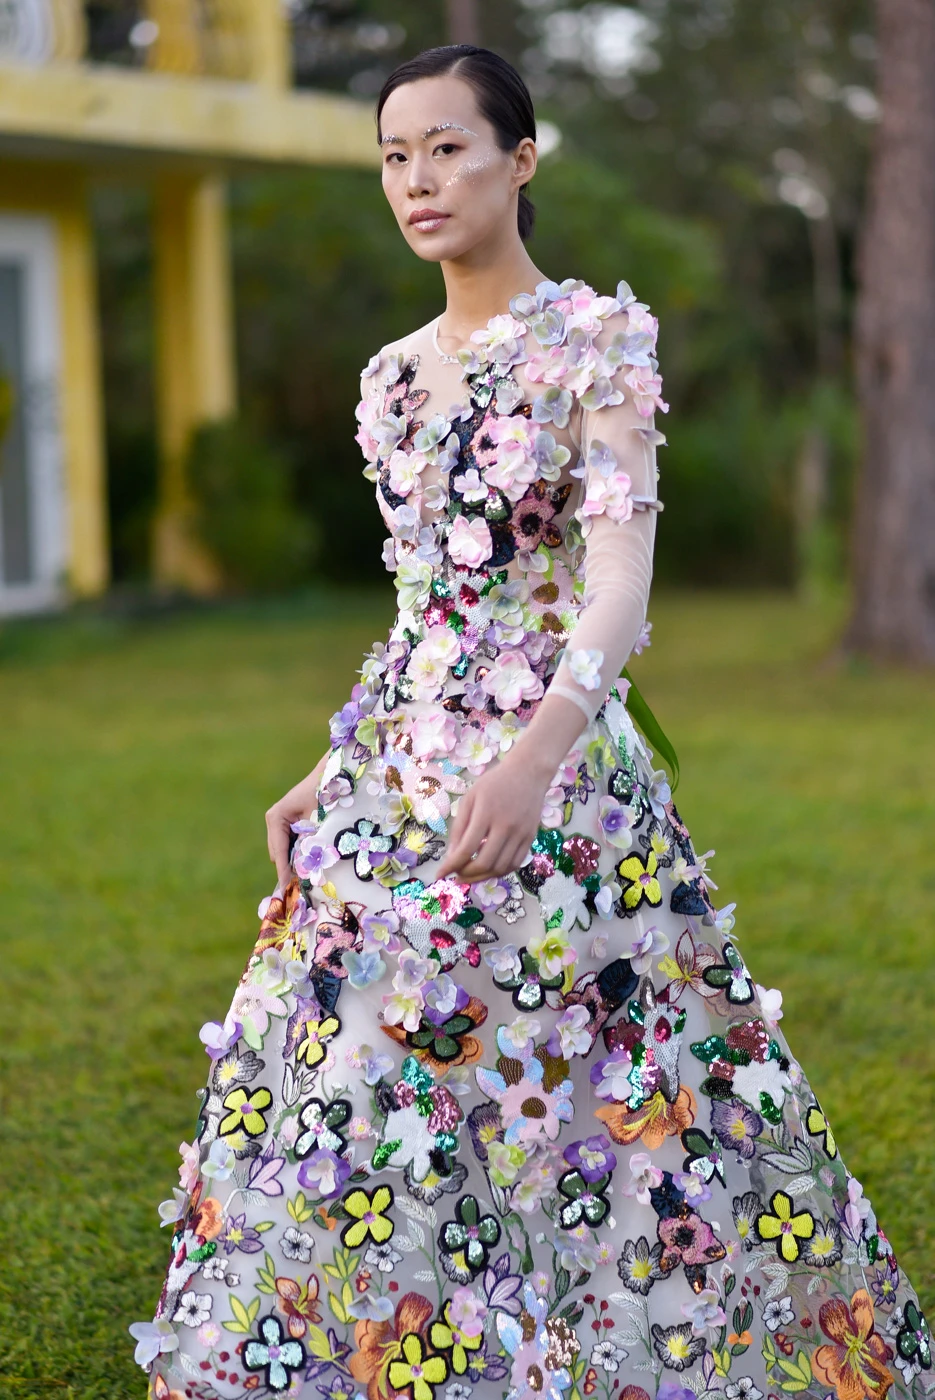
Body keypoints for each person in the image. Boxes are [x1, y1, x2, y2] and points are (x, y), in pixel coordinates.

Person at [133, 43, 929, 1400]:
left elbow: (617, 585)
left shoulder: (596, 341)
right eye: (394, 156)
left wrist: (533, 760)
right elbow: (421, 613)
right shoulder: (390, 376)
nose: (418, 180)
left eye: (447, 148)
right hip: (397, 786)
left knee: (608, 1103)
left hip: (558, 782)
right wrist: (331, 763)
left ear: (521, 157)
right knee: (363, 1078)